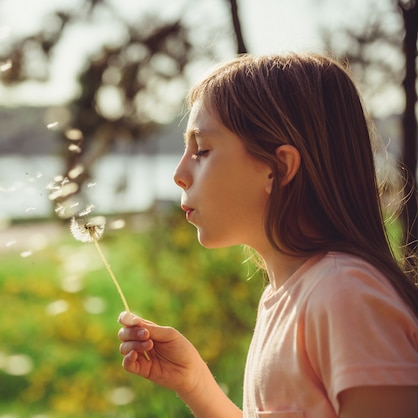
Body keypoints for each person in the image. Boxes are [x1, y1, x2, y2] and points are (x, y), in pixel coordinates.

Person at [117, 53, 418, 417]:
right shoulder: (287, 298)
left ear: (278, 168)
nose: (179, 173)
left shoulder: (345, 296)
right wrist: (195, 383)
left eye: (202, 150)